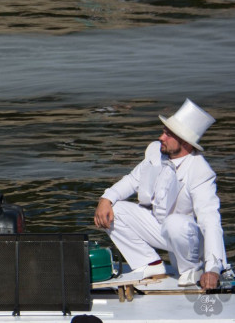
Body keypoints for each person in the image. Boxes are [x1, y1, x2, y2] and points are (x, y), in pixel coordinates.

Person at [93, 99, 226, 290]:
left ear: (185, 143)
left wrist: (213, 267)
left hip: (188, 239)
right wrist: (106, 198)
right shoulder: (156, 151)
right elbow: (132, 179)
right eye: (163, 131)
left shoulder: (201, 172)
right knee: (116, 209)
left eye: (168, 134)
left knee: (175, 222)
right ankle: (150, 263)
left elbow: (210, 220)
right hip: (159, 226)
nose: (161, 137)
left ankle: (192, 269)